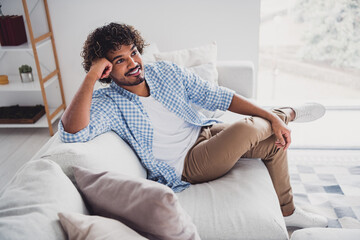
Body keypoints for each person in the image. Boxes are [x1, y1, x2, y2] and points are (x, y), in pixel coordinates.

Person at [60, 22, 328, 228]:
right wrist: (92, 75)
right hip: (186, 164)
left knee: (274, 143)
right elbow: (72, 133)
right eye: (120, 60)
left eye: (134, 53)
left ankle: (288, 211)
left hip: (203, 132)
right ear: (106, 68)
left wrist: (269, 119)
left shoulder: (163, 72)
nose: (133, 63)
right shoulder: (109, 101)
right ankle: (287, 113)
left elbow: (220, 96)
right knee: (247, 128)